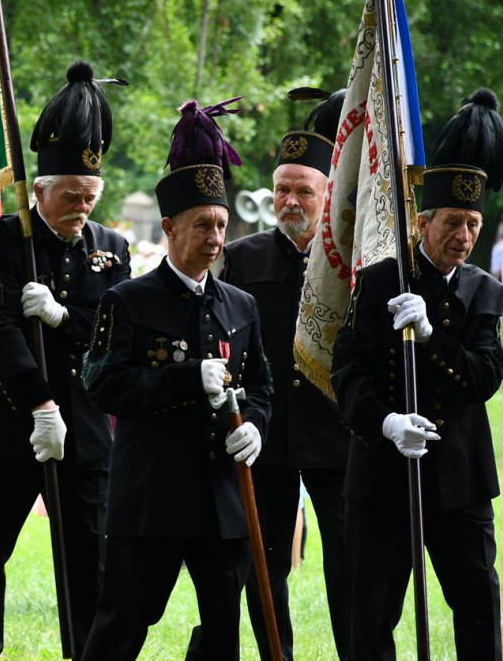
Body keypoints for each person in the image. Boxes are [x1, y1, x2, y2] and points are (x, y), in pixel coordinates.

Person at [80, 98, 272, 661]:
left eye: (220, 225)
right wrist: (186, 379)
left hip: (222, 498)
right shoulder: (127, 301)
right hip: (151, 497)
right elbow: (103, 384)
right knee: (122, 625)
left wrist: (256, 426)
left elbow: (260, 385)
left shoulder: (242, 305)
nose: (215, 238)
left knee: (221, 635)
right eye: (201, 226)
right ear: (168, 227)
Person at [0, 61, 129, 661]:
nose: (80, 208)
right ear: (40, 192)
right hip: (6, 423)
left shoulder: (112, 249)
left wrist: (61, 317)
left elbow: (112, 335)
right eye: (69, 198)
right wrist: (39, 403)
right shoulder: (7, 238)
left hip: (82, 431)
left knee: (90, 557)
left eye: (89, 198)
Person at [330, 88, 503, 659]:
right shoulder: (382, 279)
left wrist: (432, 336)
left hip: (458, 479)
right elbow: (347, 372)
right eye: (453, 222)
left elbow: (485, 376)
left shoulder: (486, 291)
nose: (464, 235)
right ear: (423, 219)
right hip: (383, 478)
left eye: (474, 224)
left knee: (478, 605)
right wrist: (383, 423)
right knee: (372, 614)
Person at [220, 88, 351, 660]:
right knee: (264, 566)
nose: (290, 201)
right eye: (281, 189)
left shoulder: (353, 261)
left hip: (338, 435)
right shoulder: (244, 258)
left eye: (303, 190)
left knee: (352, 563)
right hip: (265, 437)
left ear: (327, 194)